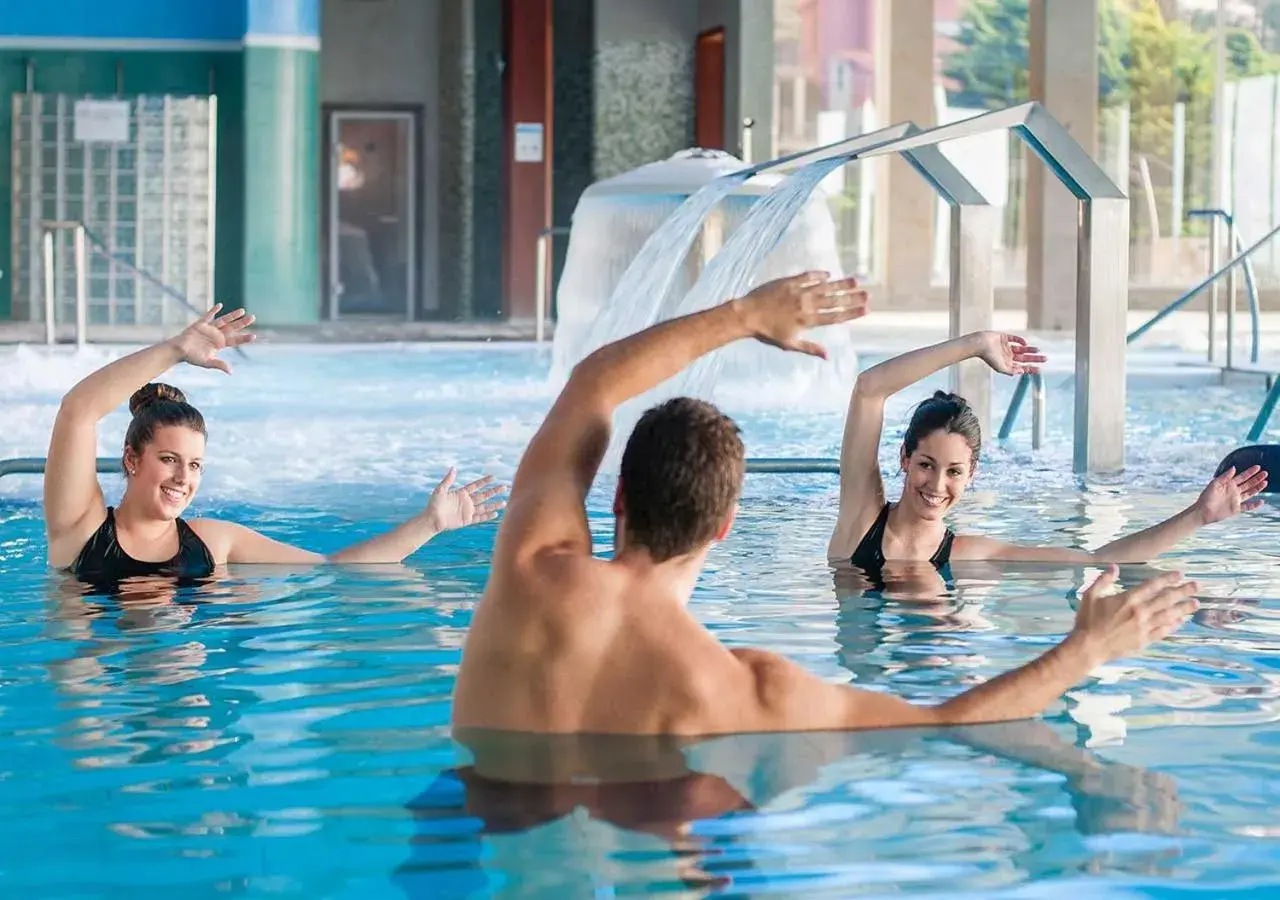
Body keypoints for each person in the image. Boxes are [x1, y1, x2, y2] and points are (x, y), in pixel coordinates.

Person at [452, 271, 1201, 736]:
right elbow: (943, 721)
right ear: (726, 523)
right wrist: (1085, 651)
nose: (938, 484)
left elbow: (591, 385)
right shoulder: (743, 687)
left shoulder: (528, 570)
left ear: (615, 493)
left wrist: (743, 313)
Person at [44, 305, 506, 583]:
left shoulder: (211, 542)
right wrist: (174, 351)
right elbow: (78, 410)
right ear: (131, 459)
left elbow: (333, 566)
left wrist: (429, 524)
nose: (184, 479)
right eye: (169, 460)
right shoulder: (80, 531)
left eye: (196, 465)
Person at [827, 330, 1269, 576]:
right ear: (905, 458)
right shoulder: (861, 521)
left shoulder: (968, 554)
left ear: (972, 474)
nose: (937, 485)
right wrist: (976, 345)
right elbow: (869, 389)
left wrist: (1198, 515)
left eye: (954, 471)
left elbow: (1101, 560)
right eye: (926, 465)